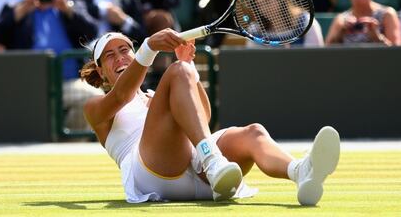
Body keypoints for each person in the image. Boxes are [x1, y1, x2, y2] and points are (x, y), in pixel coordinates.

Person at [80, 28, 341, 204]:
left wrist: (188, 69)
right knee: (177, 72)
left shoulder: (153, 95)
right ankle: (213, 161)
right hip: (153, 174)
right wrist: (148, 47)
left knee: (254, 133)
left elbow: (202, 118)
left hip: (201, 169)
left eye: (125, 50)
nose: (120, 58)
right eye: (109, 56)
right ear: (101, 72)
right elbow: (121, 96)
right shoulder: (95, 106)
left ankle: (300, 172)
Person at [0, 0, 102, 131]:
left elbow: (92, 30)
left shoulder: (70, 4)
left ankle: (69, 143)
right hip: (26, 84)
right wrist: (23, 9)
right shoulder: (16, 8)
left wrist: (66, 8)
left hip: (67, 83)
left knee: (93, 96)